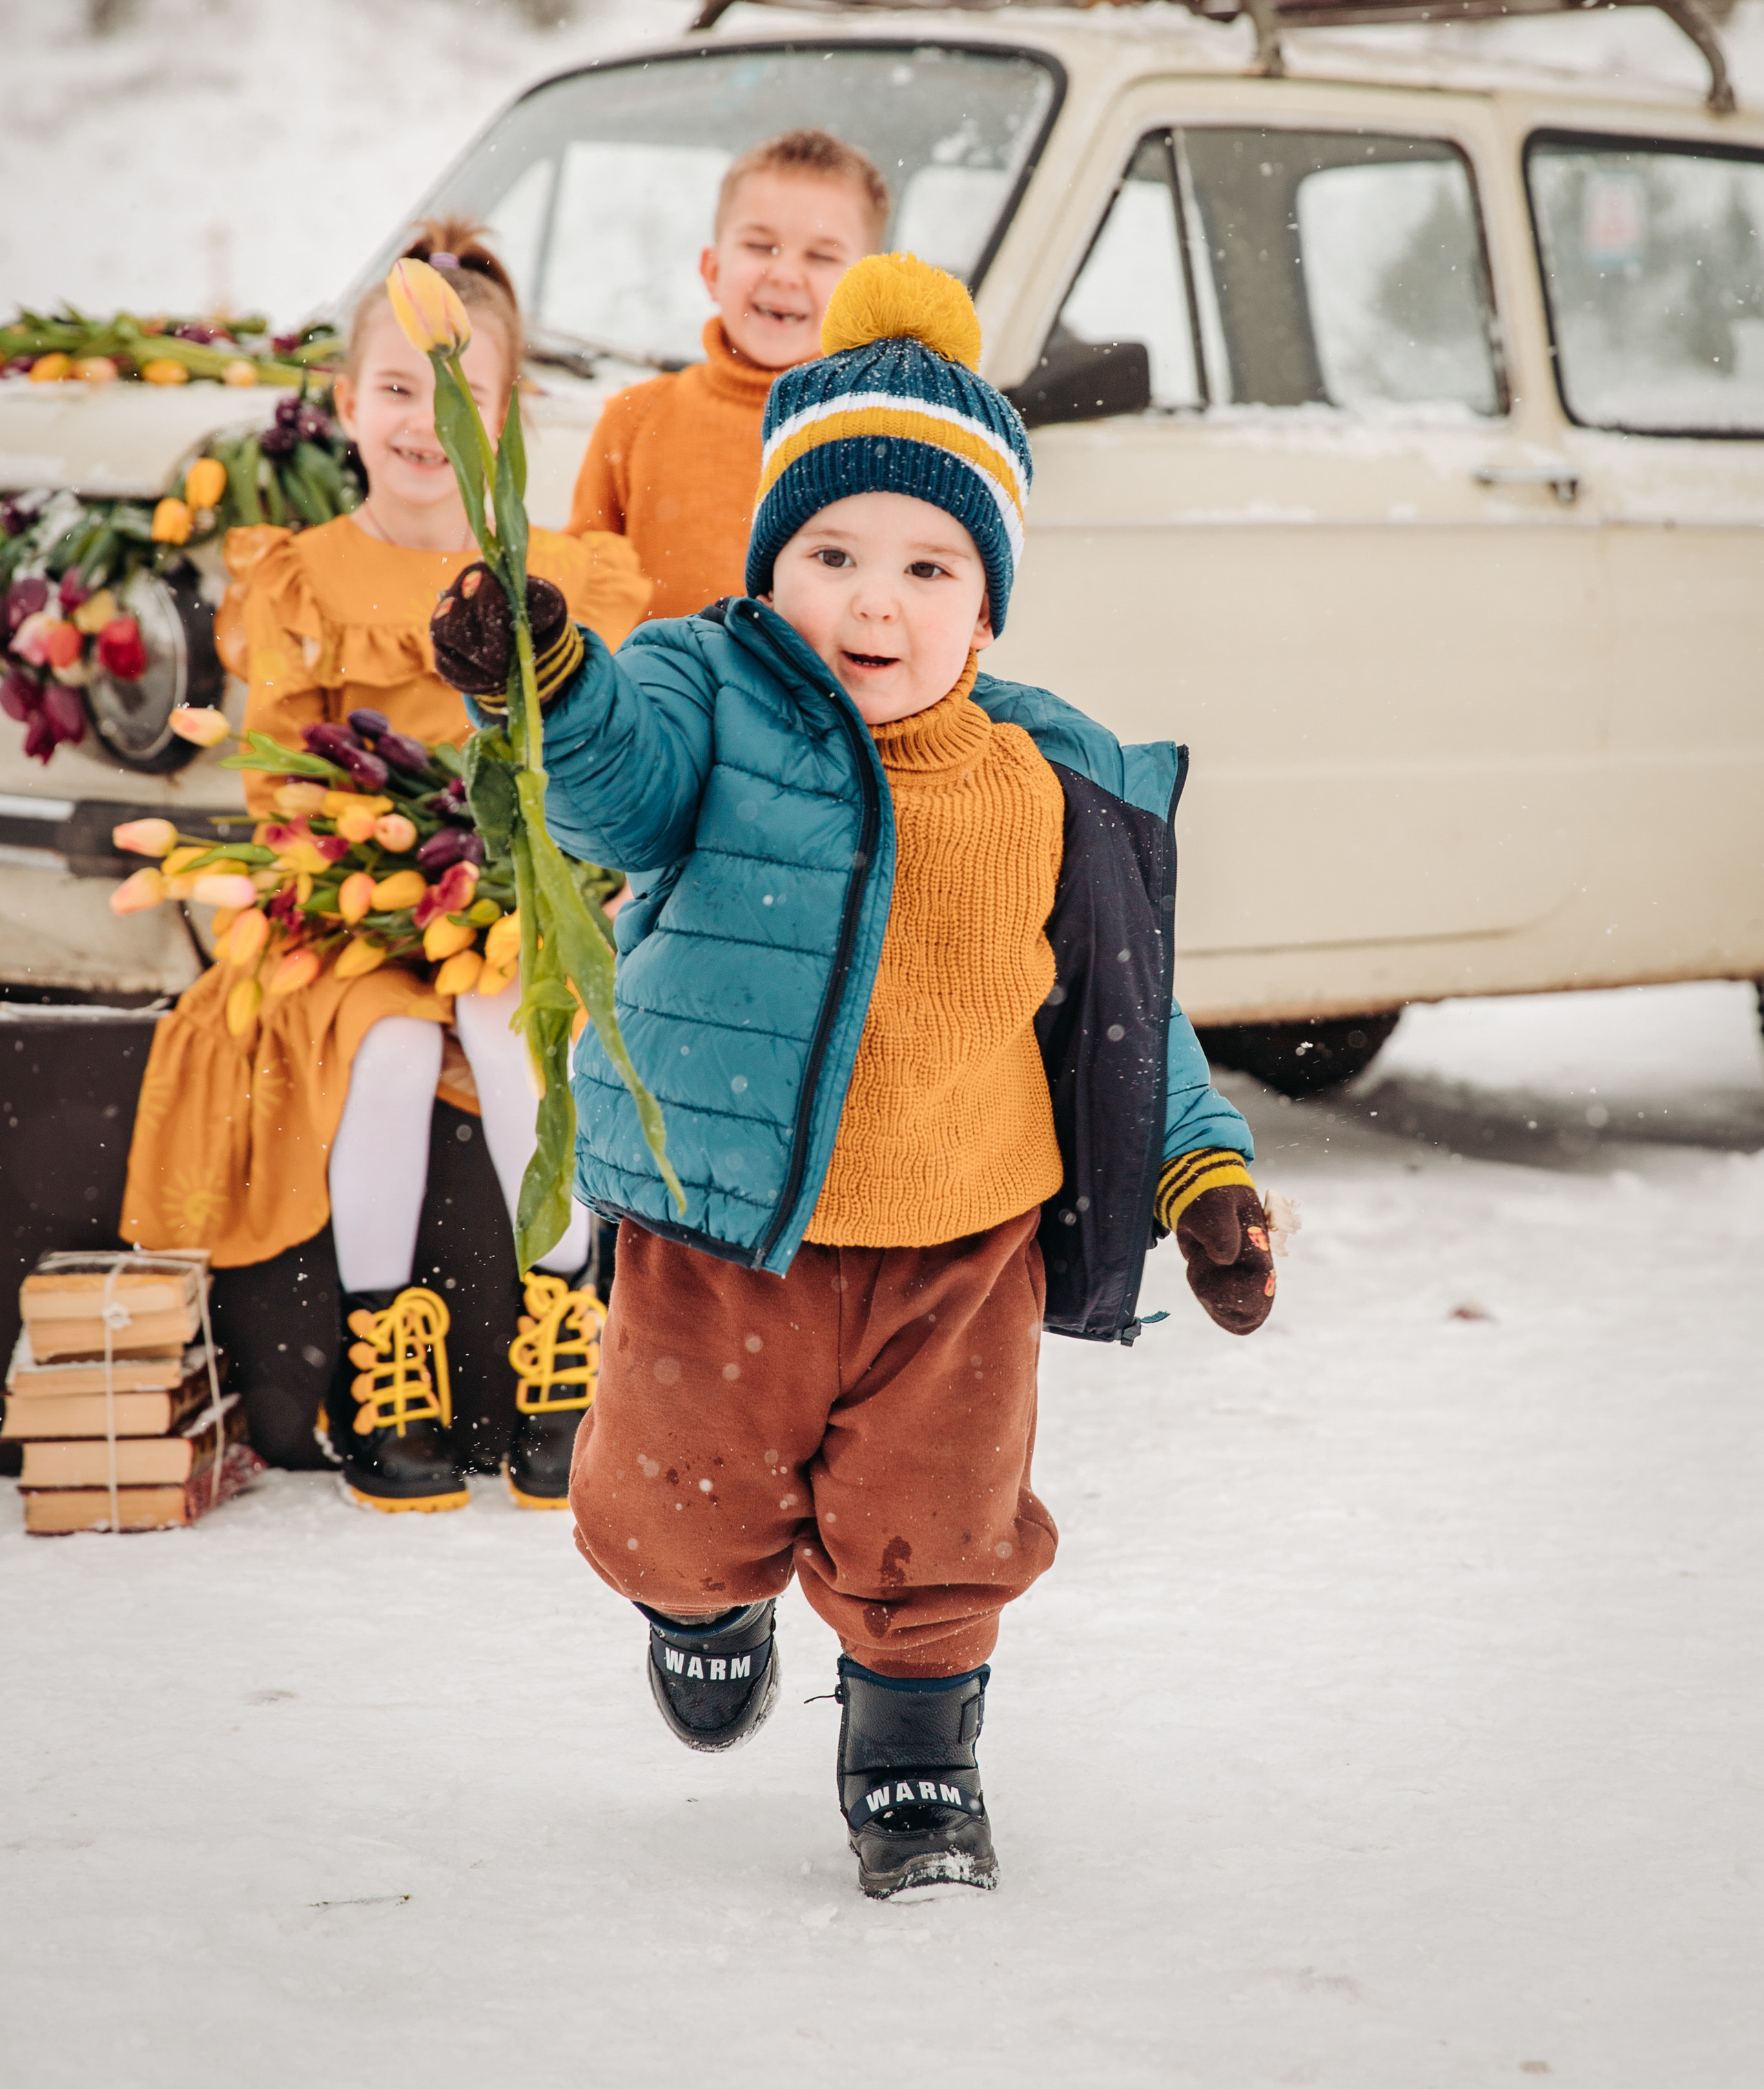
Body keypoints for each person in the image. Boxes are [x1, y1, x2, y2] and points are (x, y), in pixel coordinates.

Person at [431, 252, 1273, 1899]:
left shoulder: (1047, 775)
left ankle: (911, 1758)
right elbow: (612, 781)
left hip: (961, 1245)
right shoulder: (712, 693)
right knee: (671, 1499)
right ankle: (702, 1597)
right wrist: (547, 681)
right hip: (726, 1228)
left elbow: (1121, 1006)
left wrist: (1200, 1167)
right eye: (826, 554)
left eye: (924, 563)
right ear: (771, 566)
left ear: (986, 598)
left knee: (935, 1526)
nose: (871, 601)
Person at [122, 221, 652, 1514]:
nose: (424, 422)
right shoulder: (306, 576)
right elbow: (279, 782)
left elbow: (588, 755)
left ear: (504, 413)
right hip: (355, 912)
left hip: (514, 894)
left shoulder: (549, 574)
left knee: (507, 1013)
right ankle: (384, 1350)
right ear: (347, 404)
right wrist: (359, 854)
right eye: (397, 390)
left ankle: (561, 1335)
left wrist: (526, 856)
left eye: (457, 394)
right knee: (395, 1047)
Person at [566, 126, 888, 620]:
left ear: (866, 288)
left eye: (822, 256)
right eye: (761, 246)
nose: (784, 273)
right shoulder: (635, 418)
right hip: (655, 696)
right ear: (712, 270)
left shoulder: (882, 431)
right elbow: (579, 591)